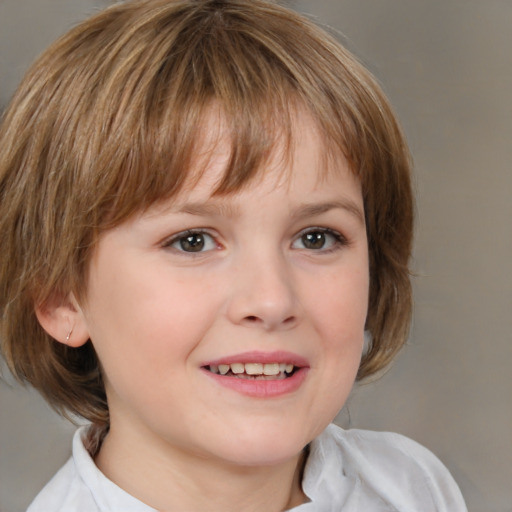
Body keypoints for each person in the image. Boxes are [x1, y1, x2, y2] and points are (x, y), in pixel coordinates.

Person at [0, 0, 467, 510]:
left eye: (316, 238)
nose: (270, 300)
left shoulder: (411, 486)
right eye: (192, 241)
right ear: (60, 295)